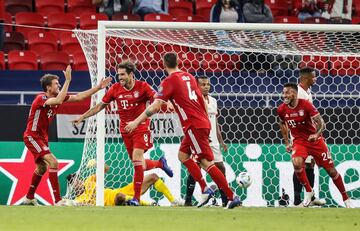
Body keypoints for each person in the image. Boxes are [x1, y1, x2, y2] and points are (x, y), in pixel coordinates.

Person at [125, 52, 241, 209]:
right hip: (201, 123)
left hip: (193, 125)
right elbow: (203, 102)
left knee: (205, 162)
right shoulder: (190, 77)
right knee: (183, 155)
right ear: (178, 62)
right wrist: (206, 124)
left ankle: (231, 196)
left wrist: (136, 121)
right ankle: (204, 187)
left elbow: (155, 106)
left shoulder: (169, 81)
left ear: (164, 65)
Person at [72, 61, 174, 206]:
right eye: (118, 74)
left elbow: (157, 99)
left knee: (137, 159)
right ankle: (159, 163)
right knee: (137, 163)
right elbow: (100, 106)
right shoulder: (115, 89)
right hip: (125, 130)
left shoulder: (143, 87)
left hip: (141, 126)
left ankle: (136, 199)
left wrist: (167, 103)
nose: (119, 77)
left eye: (122, 74)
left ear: (131, 74)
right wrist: (83, 116)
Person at [21, 66, 112, 205]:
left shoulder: (58, 97)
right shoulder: (41, 98)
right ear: (48, 87)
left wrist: (98, 87)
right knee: (53, 162)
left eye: (59, 83)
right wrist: (68, 80)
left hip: (42, 138)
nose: (58, 85)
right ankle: (58, 200)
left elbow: (79, 96)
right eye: (56, 84)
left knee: (42, 167)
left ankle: (29, 197)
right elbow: (57, 101)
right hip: (32, 136)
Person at [277, 83, 352, 208]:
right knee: (296, 162)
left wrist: (316, 135)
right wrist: (287, 142)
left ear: (294, 94)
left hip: (315, 141)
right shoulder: (281, 109)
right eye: (283, 92)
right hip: (300, 142)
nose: (284, 95)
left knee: (331, 171)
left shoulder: (306, 105)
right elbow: (281, 123)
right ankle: (308, 190)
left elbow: (321, 123)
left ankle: (346, 198)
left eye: (287, 92)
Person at [184, 76, 229, 207]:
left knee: (221, 168)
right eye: (203, 84)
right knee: (196, 168)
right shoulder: (193, 101)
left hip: (213, 140)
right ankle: (188, 200)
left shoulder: (213, 101)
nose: (206, 86)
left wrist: (221, 141)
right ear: (197, 87)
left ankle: (225, 199)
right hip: (200, 138)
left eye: (208, 84)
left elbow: (215, 122)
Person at [67, 161, 180, 206]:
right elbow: (78, 204)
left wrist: (97, 164)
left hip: (119, 191)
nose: (77, 182)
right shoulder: (79, 199)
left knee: (153, 177)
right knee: (120, 196)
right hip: (113, 201)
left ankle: (173, 201)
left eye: (77, 179)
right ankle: (150, 204)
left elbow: (106, 169)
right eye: (74, 182)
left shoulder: (89, 181)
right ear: (72, 187)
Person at [293, 67, 325, 207]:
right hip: (301, 135)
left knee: (310, 164)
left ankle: (310, 198)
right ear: (306, 78)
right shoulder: (298, 93)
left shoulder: (307, 91)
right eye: (314, 77)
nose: (316, 79)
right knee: (300, 164)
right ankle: (297, 200)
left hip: (309, 133)